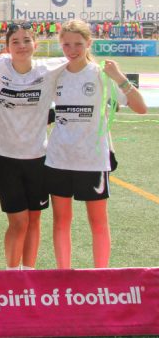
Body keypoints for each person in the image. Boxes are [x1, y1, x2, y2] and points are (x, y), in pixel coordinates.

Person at [47, 20, 146, 269]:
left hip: (92, 160)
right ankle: (63, 274)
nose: (72, 49)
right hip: (59, 158)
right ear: (60, 45)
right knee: (61, 221)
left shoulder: (101, 73)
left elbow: (141, 108)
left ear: (89, 43)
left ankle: (101, 276)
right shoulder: (55, 73)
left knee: (98, 221)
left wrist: (119, 77)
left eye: (78, 44)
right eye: (66, 44)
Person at [0, 23, 67, 270]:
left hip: (38, 158)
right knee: (18, 221)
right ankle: (11, 272)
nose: (21, 46)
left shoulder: (49, 68)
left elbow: (79, 58)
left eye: (27, 40)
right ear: (7, 46)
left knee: (35, 219)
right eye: (15, 41)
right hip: (3, 158)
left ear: (35, 45)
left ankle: (29, 273)